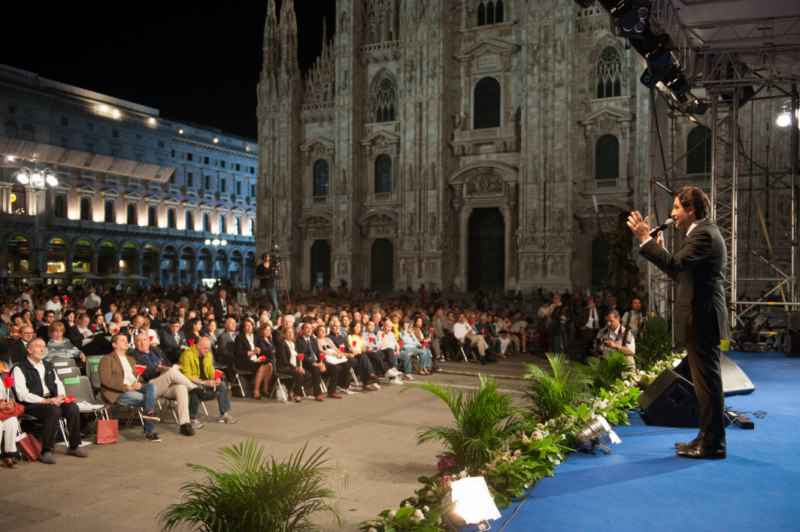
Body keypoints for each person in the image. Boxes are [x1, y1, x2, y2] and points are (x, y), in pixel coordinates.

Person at [628, 185, 729, 460]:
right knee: (703, 382)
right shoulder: (700, 233)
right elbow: (682, 274)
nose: (672, 213)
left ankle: (713, 444)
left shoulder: (704, 235)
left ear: (690, 210)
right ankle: (706, 437)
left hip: (702, 316)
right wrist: (661, 251)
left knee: (707, 383)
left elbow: (676, 267)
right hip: (701, 316)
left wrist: (645, 240)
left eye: (675, 208)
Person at [12, 338, 88, 463]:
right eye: (38, 346)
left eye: (43, 346)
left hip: (52, 400)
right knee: (53, 411)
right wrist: (45, 401)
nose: (42, 349)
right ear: (29, 350)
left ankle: (74, 446)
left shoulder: (47, 365)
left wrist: (60, 396)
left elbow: (58, 383)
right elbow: (22, 394)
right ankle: (46, 450)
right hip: (31, 404)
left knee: (72, 407)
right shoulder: (19, 368)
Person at [129, 332, 197, 436]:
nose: (142, 343)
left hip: (166, 383)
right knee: (171, 373)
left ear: (149, 341)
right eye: (139, 341)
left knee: (181, 387)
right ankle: (195, 389)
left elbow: (168, 363)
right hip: (150, 385)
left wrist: (168, 367)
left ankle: (184, 424)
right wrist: (157, 369)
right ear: (135, 343)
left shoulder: (156, 350)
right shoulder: (133, 356)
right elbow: (144, 374)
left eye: (145, 340)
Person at [99, 334, 163, 442]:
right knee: (146, 398)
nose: (126, 342)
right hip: (117, 391)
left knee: (151, 386)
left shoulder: (130, 359)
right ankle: (150, 431)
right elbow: (106, 380)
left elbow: (138, 376)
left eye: (126, 340)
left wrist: (139, 383)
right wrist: (124, 387)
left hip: (134, 387)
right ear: (114, 344)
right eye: (122, 340)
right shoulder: (107, 359)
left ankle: (148, 413)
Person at [179, 337, 237, 425]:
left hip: (204, 382)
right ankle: (192, 418)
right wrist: (204, 382)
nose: (207, 350)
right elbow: (186, 375)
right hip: (191, 382)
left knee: (222, 384)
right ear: (198, 346)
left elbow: (210, 371)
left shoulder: (208, 355)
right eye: (205, 348)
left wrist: (216, 378)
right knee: (197, 388)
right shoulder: (187, 355)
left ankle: (224, 413)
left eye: (209, 348)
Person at [297, 322, 342, 401]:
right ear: (302, 330)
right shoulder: (299, 340)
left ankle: (331, 391)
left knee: (334, 367)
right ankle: (317, 394)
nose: (309, 330)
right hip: (306, 363)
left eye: (311, 328)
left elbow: (318, 353)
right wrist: (314, 363)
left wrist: (322, 363)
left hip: (317, 362)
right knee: (316, 369)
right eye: (307, 328)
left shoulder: (313, 339)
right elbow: (302, 355)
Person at [234, 318, 272, 399]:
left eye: (250, 325)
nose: (248, 327)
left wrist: (258, 352)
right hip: (243, 361)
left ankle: (264, 389)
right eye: (246, 326)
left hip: (254, 359)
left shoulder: (254, 337)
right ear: (243, 327)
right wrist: (252, 352)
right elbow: (238, 353)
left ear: (252, 327)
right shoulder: (239, 337)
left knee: (269, 364)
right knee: (262, 366)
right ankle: (256, 390)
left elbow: (257, 350)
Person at [275, 326, 309, 403]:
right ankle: (297, 394)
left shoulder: (293, 343)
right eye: (289, 332)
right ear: (284, 334)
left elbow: (297, 357)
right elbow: (283, 360)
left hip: (294, 367)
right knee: (299, 375)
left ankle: (292, 391)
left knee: (308, 375)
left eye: (292, 332)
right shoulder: (281, 344)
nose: (291, 334)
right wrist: (296, 368)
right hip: (284, 367)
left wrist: (300, 367)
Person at [0, 358, 21, 468]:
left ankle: (9, 454)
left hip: (4, 410)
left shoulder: (3, 373)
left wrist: (11, 402)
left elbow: (11, 394)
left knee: (12, 421)